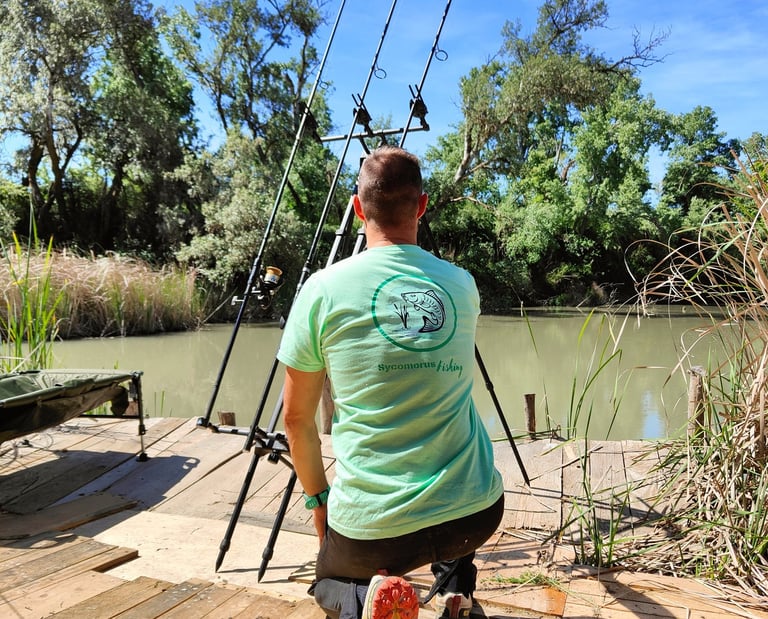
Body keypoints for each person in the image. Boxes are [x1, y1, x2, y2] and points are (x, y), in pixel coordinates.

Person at [277, 145, 504, 619]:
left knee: (328, 581)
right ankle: (455, 594)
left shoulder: (322, 289)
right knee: (450, 507)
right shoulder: (461, 284)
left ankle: (366, 597)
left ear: (357, 209)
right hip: (476, 513)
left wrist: (320, 503)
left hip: (374, 533)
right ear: (422, 206)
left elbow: (296, 421)